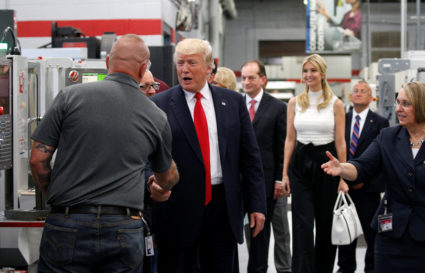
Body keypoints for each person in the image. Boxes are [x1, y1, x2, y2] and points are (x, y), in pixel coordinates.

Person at [29, 34, 179, 272]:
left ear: (108, 61)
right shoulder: (155, 115)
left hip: (66, 223)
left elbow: (38, 159)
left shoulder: (70, 97)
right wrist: (160, 187)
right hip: (123, 229)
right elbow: (167, 176)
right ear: (143, 69)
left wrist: (54, 199)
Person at [151, 38, 266, 273]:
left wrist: (257, 204)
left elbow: (250, 157)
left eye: (192, 63)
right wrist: (150, 182)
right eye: (180, 63)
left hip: (223, 207)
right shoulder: (160, 104)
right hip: (177, 208)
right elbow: (145, 154)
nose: (184, 69)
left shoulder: (232, 102)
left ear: (208, 66)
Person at [322, 81, 425, 273]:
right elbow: (362, 166)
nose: (399, 109)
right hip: (390, 235)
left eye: (406, 103)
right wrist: (342, 168)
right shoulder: (388, 137)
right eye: (398, 102)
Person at [281, 54, 348, 273]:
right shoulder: (294, 103)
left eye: (313, 70)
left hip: (326, 163)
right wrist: (285, 174)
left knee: (325, 222)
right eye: (305, 71)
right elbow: (290, 139)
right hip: (300, 162)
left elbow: (341, 142)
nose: (308, 75)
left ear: (322, 73)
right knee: (302, 224)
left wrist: (343, 176)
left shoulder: (335, 104)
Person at [240, 59, 291, 273]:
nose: (246, 82)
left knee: (261, 231)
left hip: (266, 182)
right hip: (239, 180)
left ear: (263, 80)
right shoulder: (235, 104)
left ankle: (258, 269)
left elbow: (282, 147)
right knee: (244, 230)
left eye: (251, 77)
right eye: (243, 78)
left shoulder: (278, 108)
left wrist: (280, 178)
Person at [336, 81, 389, 273]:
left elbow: (383, 158)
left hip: (368, 189)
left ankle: (371, 267)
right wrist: (343, 180)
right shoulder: (342, 118)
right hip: (344, 187)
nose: (358, 94)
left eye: (363, 91)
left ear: (371, 97)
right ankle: (345, 266)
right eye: (355, 91)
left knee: (372, 231)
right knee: (345, 228)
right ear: (351, 96)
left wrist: (364, 181)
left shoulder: (380, 122)